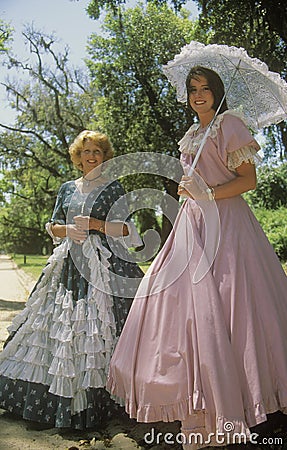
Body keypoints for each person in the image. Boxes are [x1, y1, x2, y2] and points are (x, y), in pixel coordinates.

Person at [107, 67, 287, 449]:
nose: (199, 95)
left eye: (206, 89)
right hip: (192, 226)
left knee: (228, 307)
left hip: (228, 227)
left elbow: (248, 181)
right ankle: (195, 398)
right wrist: (189, 191)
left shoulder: (230, 124)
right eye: (193, 89)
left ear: (217, 93)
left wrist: (206, 194)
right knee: (181, 308)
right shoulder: (190, 136)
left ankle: (234, 402)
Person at [0, 130, 143, 430]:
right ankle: (44, 405)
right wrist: (66, 231)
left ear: (105, 157)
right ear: (77, 158)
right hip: (68, 266)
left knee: (96, 330)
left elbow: (128, 230)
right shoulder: (66, 189)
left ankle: (97, 403)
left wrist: (96, 225)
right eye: (86, 152)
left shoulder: (113, 188)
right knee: (57, 328)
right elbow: (52, 225)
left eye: (98, 152)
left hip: (102, 265)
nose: (91, 157)